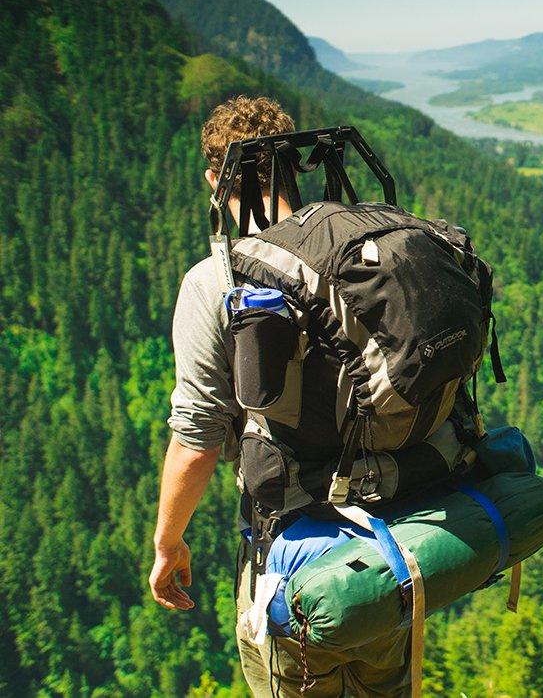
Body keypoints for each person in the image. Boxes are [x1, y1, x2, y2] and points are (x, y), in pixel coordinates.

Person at [148, 96, 411, 697]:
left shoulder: (215, 281)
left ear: (215, 178)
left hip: (296, 562)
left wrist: (168, 543)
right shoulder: (359, 254)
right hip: (391, 538)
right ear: (294, 166)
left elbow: (196, 436)